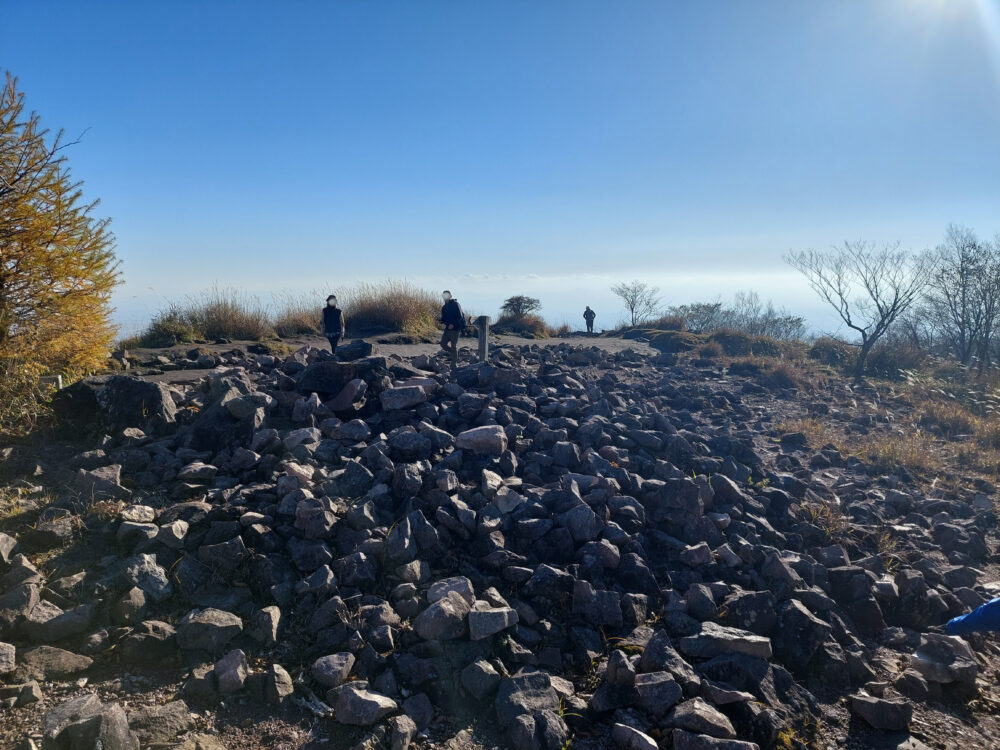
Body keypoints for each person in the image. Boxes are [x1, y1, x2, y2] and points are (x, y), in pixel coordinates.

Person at [439, 290, 465, 366]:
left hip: (455, 330)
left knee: (453, 346)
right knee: (443, 344)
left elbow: (460, 317)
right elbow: (444, 319)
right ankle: (455, 355)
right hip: (447, 330)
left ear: (450, 296)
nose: (445, 297)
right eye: (444, 296)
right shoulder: (444, 307)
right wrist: (441, 320)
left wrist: (453, 324)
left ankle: (453, 364)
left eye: (446, 295)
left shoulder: (456, 304)